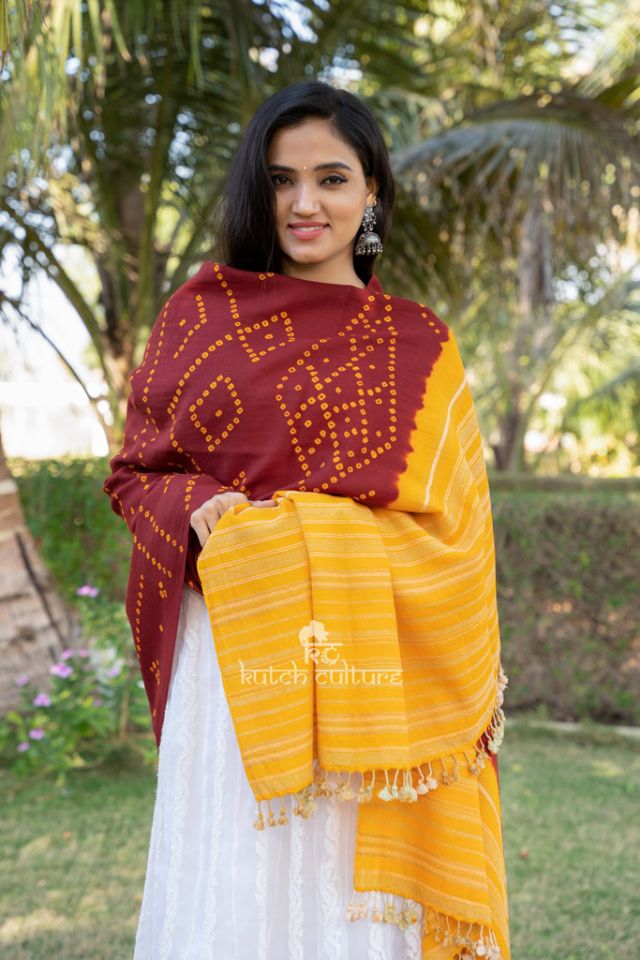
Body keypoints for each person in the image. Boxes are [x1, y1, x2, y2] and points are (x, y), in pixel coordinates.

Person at [103, 80, 510, 960]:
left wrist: (309, 536)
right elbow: (136, 474)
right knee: (235, 880)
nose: (304, 203)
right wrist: (197, 505)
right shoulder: (200, 317)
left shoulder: (419, 343)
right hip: (233, 660)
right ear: (258, 190)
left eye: (332, 178)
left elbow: (454, 537)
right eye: (282, 180)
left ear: (371, 194)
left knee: (343, 899)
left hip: (369, 665)